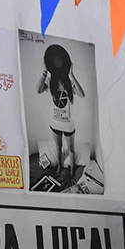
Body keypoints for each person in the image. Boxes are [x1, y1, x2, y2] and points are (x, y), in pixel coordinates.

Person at [36, 43, 84, 185]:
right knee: (58, 148)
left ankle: (71, 170)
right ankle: (58, 166)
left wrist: (72, 75)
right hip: (55, 123)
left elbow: (82, 94)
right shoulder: (50, 83)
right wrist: (45, 72)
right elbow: (38, 90)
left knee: (71, 149)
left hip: (68, 124)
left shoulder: (70, 84)